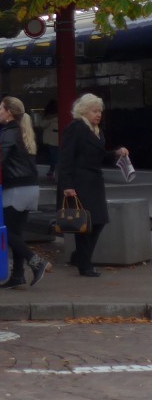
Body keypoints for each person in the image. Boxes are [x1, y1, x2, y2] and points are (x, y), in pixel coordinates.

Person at [59, 93, 132, 277]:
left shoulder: (96, 130)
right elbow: (66, 158)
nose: (98, 114)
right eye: (94, 111)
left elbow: (99, 156)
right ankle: (85, 265)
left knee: (98, 222)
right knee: (86, 223)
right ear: (84, 111)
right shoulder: (76, 128)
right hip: (80, 183)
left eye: (100, 111)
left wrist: (117, 153)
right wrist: (67, 184)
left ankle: (80, 257)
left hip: (95, 182)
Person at [0, 96, 49, 288]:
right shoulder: (23, 131)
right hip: (31, 188)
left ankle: (35, 261)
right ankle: (17, 275)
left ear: (9, 112)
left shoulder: (8, 133)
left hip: (15, 189)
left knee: (4, 231)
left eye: (0, 108)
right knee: (16, 233)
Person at [40, 99, 60, 181]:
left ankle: (52, 172)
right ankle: (52, 172)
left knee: (54, 157)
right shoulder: (59, 116)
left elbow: (42, 125)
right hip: (55, 140)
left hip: (50, 140)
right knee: (55, 157)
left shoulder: (48, 118)